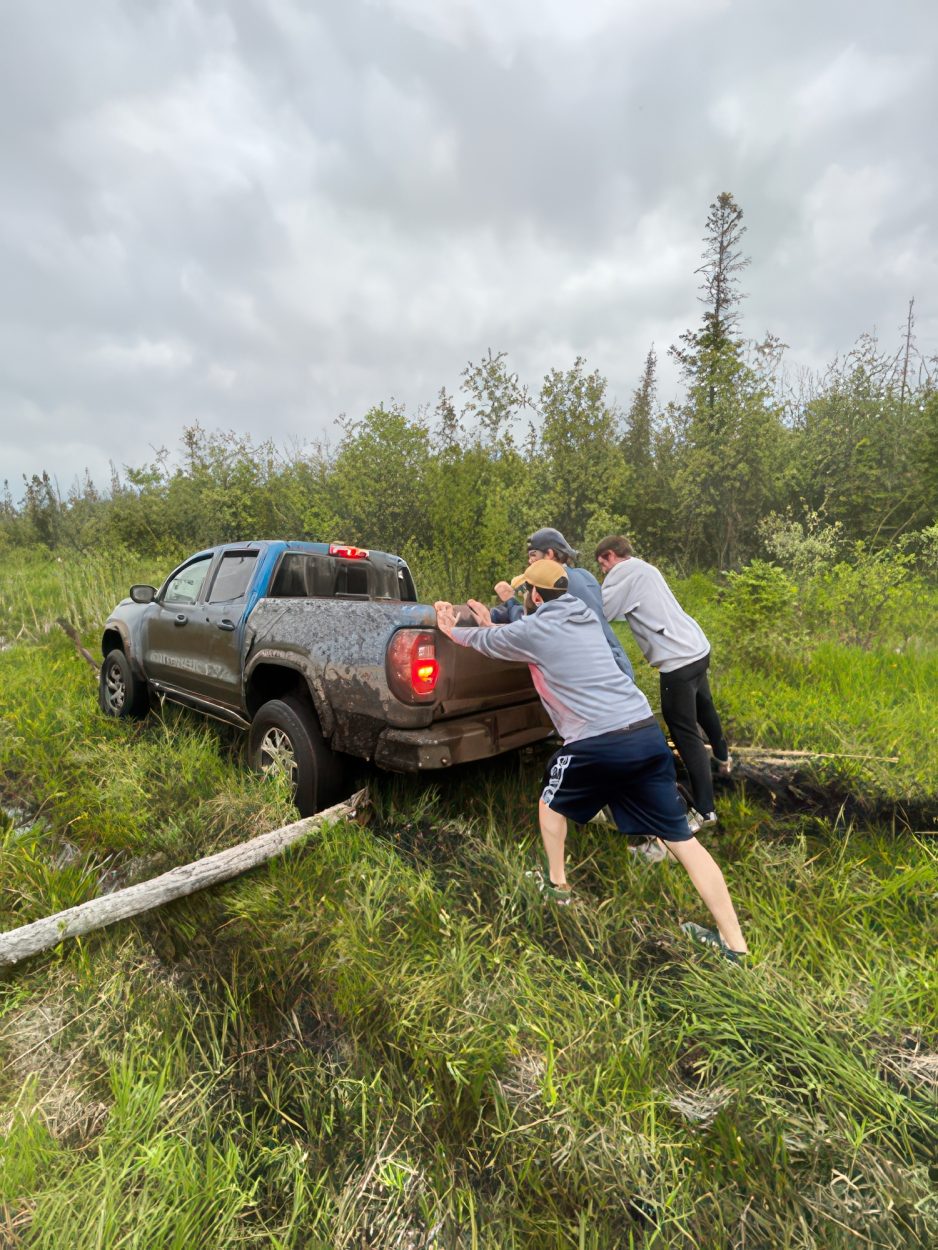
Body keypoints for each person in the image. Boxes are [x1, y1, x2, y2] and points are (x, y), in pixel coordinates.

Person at [433, 559, 748, 962]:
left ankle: (558, 887)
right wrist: (488, 623)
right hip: (643, 731)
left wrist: (452, 630)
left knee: (550, 801)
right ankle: (735, 946)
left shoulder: (536, 629)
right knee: (682, 842)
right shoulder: (581, 616)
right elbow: (515, 636)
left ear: (532, 595)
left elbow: (492, 643)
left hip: (596, 741)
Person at [595, 535, 732, 829]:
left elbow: (601, 612)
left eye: (602, 565)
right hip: (696, 649)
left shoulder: (622, 573)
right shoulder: (645, 568)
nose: (603, 572)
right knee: (705, 705)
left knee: (685, 734)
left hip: (676, 662)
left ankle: (705, 811)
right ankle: (723, 758)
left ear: (609, 556)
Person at [491, 527, 634, 681]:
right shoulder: (585, 576)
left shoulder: (553, 585)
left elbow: (530, 626)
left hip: (591, 674)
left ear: (550, 554)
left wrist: (509, 600)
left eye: (533, 556)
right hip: (618, 664)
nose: (529, 561)